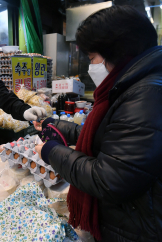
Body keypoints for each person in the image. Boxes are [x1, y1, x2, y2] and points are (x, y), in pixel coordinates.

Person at [35, 6, 162, 242]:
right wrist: (54, 125)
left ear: (117, 52)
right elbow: (113, 136)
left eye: (92, 58)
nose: (91, 66)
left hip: (137, 228)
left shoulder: (145, 94)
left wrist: (51, 151)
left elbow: (111, 179)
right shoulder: (136, 85)